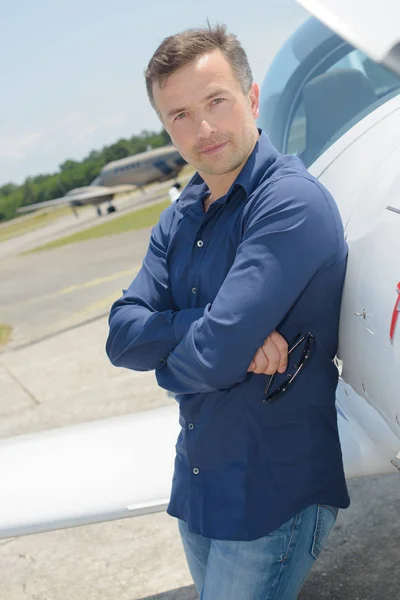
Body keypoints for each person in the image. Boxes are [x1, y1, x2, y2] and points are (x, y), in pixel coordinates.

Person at [106, 23, 350, 599]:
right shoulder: (181, 215)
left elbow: (213, 359)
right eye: (180, 115)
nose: (204, 129)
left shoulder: (289, 202)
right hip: (199, 485)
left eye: (216, 101)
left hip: (271, 493)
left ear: (252, 97)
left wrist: (172, 361)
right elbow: (121, 335)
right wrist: (197, 327)